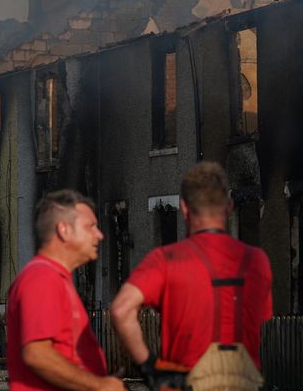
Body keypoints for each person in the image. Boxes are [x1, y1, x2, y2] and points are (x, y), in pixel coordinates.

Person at [111, 162, 273, 391]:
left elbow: (121, 310)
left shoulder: (166, 259)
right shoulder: (257, 262)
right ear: (229, 207)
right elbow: (261, 320)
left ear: (184, 209)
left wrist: (150, 368)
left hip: (184, 382)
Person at [6, 189, 126, 391]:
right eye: (90, 226)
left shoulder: (55, 278)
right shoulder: (42, 277)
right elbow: (37, 354)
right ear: (64, 230)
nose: (99, 234)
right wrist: (100, 385)